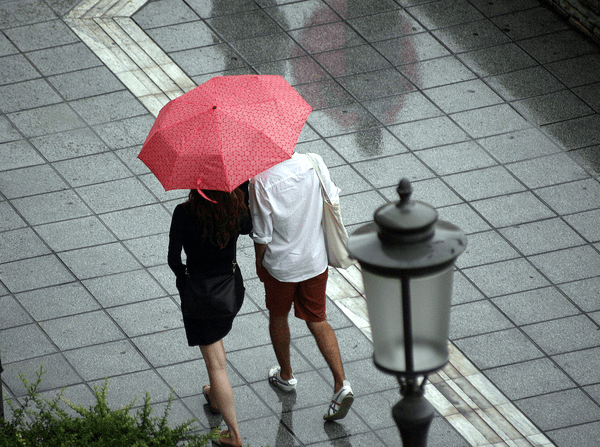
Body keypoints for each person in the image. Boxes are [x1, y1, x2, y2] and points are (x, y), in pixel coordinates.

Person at [249, 152, 354, 421]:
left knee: (278, 316)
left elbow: (262, 234)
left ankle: (286, 375)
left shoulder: (260, 181)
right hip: (315, 259)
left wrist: (259, 264)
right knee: (318, 319)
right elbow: (332, 198)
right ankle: (341, 383)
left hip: (282, 266)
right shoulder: (314, 161)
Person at [168, 185, 251, 447]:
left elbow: (173, 259)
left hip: (202, 296)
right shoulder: (235, 207)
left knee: (215, 364)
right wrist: (243, 190)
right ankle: (215, 397)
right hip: (230, 291)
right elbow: (249, 228)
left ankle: (233, 434)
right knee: (215, 341)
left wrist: (185, 281)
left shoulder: (184, 212)